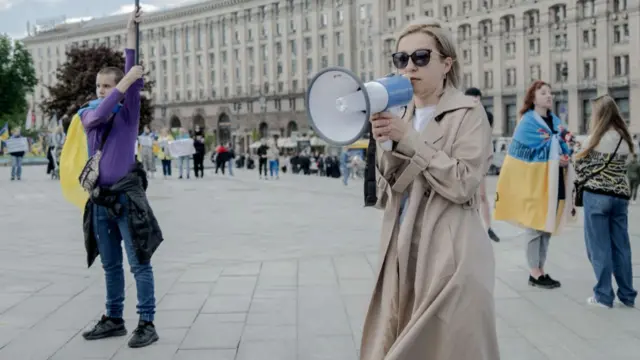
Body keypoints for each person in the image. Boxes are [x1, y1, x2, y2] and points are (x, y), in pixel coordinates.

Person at [361, 17, 499, 360]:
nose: (409, 66)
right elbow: (387, 190)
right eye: (401, 59)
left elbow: (464, 183)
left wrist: (410, 140)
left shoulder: (468, 113)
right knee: (397, 331)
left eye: (421, 57)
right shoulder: (399, 113)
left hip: (449, 249)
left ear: (446, 64)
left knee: (443, 345)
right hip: (402, 246)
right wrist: (386, 146)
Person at [79, 7, 162, 348]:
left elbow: (132, 67)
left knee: (138, 262)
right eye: (99, 85)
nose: (101, 90)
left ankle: (146, 322)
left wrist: (130, 32)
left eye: (107, 85)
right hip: (100, 198)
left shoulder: (128, 114)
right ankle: (114, 318)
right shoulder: (89, 112)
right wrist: (124, 83)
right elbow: (96, 117)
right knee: (110, 264)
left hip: (126, 198)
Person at [494, 80, 575, 290]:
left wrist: (564, 156)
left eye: (550, 93)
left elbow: (563, 143)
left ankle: (541, 268)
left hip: (554, 178)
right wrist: (556, 152)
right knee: (534, 225)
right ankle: (534, 272)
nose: (549, 96)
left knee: (546, 226)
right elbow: (522, 152)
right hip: (534, 180)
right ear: (533, 98)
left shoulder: (555, 121)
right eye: (543, 93)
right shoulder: (527, 122)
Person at [575, 94, 636, 308]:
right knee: (621, 246)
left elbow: (579, 166)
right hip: (619, 198)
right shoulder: (625, 139)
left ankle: (603, 295)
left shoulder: (594, 139)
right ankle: (627, 295)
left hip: (597, 197)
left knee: (599, 247)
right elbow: (628, 163)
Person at [464, 87, 499, 242]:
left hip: (481, 160)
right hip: (465, 161)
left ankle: (488, 227)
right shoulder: (461, 116)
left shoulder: (487, 116)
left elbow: (487, 139)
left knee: (482, 195)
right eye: (472, 99)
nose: (475, 102)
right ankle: (473, 227)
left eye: (477, 99)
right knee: (468, 197)